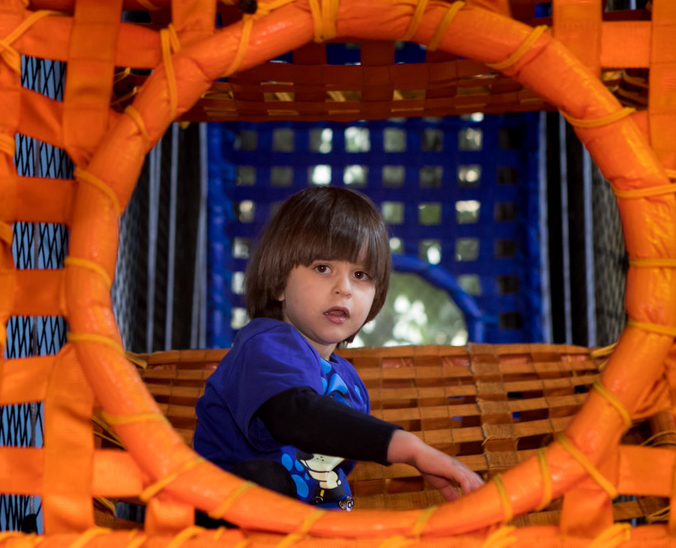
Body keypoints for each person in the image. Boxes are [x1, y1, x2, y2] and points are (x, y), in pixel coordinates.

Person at [194, 186, 484, 512]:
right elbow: (295, 415)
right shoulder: (265, 344)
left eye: (360, 275)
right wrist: (409, 448)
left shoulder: (350, 386)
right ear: (278, 283)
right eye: (323, 268)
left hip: (320, 542)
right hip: (231, 532)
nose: (343, 288)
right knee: (266, 479)